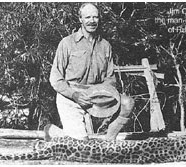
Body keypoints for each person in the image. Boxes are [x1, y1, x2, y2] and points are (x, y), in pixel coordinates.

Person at [50, 3, 135, 140]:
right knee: (81, 144)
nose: (92, 21)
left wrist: (100, 93)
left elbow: (110, 78)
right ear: (80, 19)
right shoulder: (67, 43)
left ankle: (109, 141)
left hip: (96, 96)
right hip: (71, 98)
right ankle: (55, 133)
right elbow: (56, 78)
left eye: (95, 17)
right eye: (87, 17)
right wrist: (74, 95)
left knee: (127, 103)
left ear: (99, 19)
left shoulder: (105, 45)